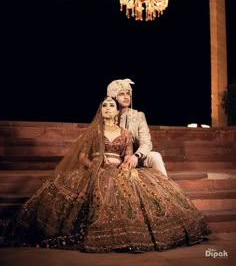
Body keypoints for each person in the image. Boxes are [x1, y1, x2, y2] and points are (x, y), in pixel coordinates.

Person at [2, 96, 210, 253]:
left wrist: (128, 165)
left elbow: (127, 155)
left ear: (117, 111)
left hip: (118, 169)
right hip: (97, 170)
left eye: (112, 105)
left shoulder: (126, 133)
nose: (108, 107)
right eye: (105, 105)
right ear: (100, 110)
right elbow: (82, 155)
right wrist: (91, 162)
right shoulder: (93, 132)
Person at [107, 78, 168, 176]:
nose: (126, 97)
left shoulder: (138, 115)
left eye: (128, 93)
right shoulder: (108, 116)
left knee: (155, 156)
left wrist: (135, 156)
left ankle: (167, 189)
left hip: (135, 157)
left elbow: (146, 143)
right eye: (121, 94)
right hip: (114, 158)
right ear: (114, 97)